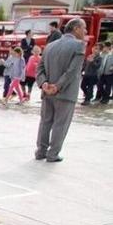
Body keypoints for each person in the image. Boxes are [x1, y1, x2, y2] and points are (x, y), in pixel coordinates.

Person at [35, 18, 86, 163]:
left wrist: (44, 84)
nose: (85, 31)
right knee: (60, 124)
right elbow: (72, 71)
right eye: (84, 28)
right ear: (76, 29)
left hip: (47, 92)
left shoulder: (50, 46)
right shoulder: (79, 45)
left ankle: (41, 151)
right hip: (65, 93)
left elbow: (40, 68)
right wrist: (57, 86)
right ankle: (53, 154)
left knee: (45, 122)